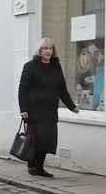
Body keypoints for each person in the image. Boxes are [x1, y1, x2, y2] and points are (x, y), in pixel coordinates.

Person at [18, 37, 79, 177]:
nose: (48, 51)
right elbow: (22, 89)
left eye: (50, 48)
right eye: (45, 48)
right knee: (34, 140)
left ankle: (39, 167)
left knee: (47, 140)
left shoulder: (56, 66)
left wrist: (71, 106)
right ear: (39, 50)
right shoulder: (30, 66)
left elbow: (62, 89)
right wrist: (23, 109)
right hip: (34, 110)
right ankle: (32, 165)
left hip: (50, 111)